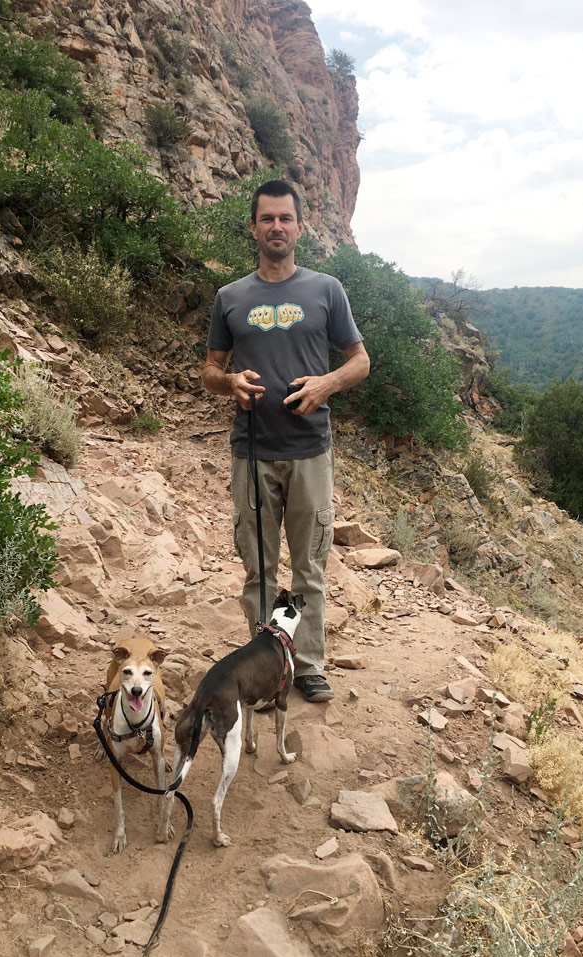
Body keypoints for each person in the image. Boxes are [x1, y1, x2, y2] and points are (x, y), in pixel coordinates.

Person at [202, 178, 370, 702]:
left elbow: (360, 360)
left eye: (286, 218)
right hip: (251, 452)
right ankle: (264, 667)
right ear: (253, 227)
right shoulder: (230, 297)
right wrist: (229, 383)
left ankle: (309, 663)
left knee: (309, 566)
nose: (277, 226)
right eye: (267, 218)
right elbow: (210, 369)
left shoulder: (326, 290)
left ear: (300, 227)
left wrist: (326, 383)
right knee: (259, 566)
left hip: (309, 452)